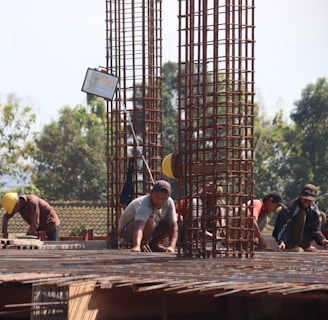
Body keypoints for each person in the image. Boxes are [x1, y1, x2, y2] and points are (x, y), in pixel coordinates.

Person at [118, 180, 178, 252]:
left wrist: (171, 247)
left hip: (151, 227)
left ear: (168, 197)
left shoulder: (169, 202)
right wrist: (136, 246)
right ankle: (139, 244)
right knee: (150, 223)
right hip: (127, 231)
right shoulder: (143, 204)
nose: (159, 201)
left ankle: (154, 244)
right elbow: (139, 227)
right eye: (157, 197)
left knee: (178, 219)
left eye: (163, 199)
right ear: (151, 193)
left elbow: (173, 226)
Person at [272, 184, 328, 252]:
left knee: (321, 215)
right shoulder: (291, 207)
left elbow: (315, 229)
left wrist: (322, 240)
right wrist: (281, 241)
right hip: (289, 238)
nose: (306, 202)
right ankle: (293, 245)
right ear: (300, 195)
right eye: (305, 199)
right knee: (302, 214)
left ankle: (306, 245)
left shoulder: (314, 210)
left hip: (303, 238)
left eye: (309, 200)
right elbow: (281, 226)